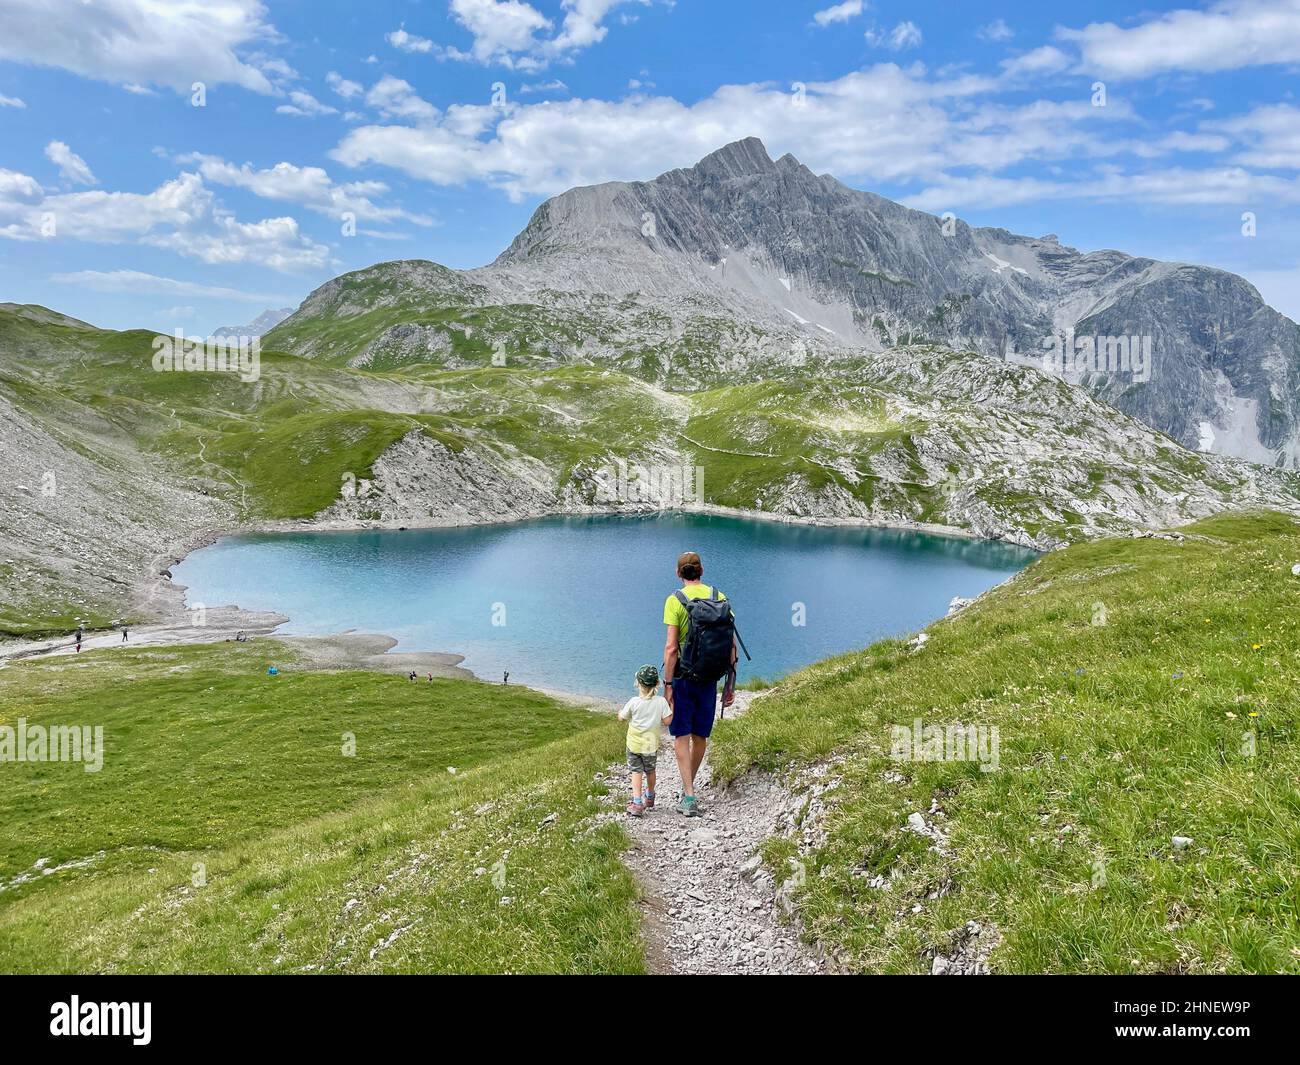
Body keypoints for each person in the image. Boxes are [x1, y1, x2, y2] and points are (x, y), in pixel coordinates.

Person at [662, 551, 736, 817]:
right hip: (710, 676)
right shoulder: (720, 597)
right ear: (702, 570)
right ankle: (688, 788)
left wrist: (667, 684)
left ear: (679, 573)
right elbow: (731, 644)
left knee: (681, 735)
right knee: (700, 736)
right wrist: (730, 683)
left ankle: (690, 794)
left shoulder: (675, 600)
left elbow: (671, 647)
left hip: (684, 675)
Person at [618, 664, 672, 817]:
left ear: (638, 683)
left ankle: (636, 802)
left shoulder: (634, 702)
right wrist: (671, 708)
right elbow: (667, 721)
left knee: (636, 772)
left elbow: (622, 717)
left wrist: (619, 714)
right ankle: (650, 796)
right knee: (650, 771)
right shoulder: (661, 702)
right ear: (657, 684)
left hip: (634, 745)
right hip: (650, 745)